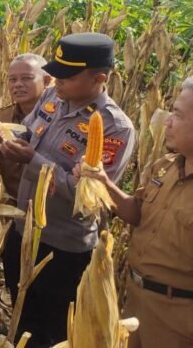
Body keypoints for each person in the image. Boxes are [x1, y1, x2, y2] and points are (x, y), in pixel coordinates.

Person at [0, 32, 136, 348]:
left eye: (68, 75)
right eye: (56, 72)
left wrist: (32, 160)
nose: (57, 80)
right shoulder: (52, 97)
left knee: (57, 333)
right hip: (24, 230)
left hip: (63, 247)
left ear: (99, 79)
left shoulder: (115, 127)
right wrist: (8, 142)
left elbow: (87, 194)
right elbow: (27, 132)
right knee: (22, 321)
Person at [75, 77, 193, 348]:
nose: (167, 122)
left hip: (179, 316)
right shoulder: (165, 167)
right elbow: (137, 213)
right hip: (134, 300)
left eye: (177, 115)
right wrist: (103, 182)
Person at [0, 53, 51, 199]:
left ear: (46, 81)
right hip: (9, 203)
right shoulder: (1, 117)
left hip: (47, 205)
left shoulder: (59, 119)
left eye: (26, 78)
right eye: (12, 79)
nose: (18, 84)